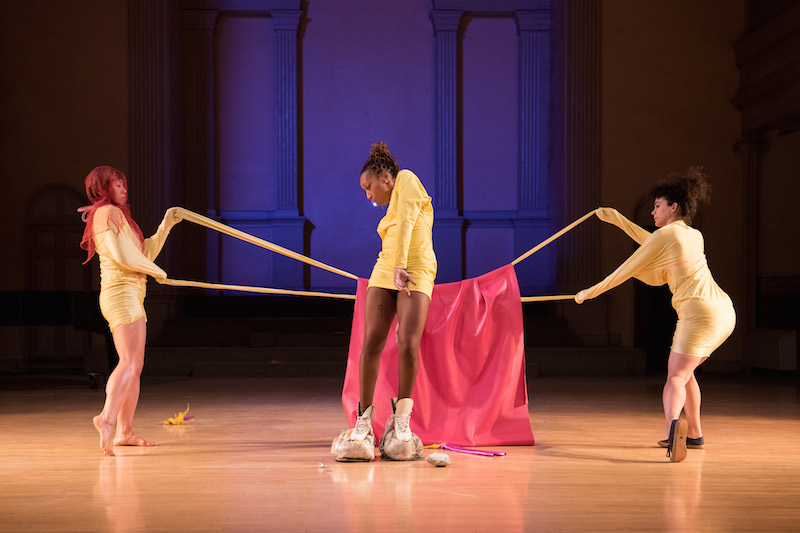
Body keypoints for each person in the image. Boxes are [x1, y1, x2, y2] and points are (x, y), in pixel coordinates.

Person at [575, 167, 735, 463]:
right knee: (685, 374)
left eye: (657, 206)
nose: (652, 212)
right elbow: (652, 243)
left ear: (673, 207)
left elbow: (629, 266)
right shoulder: (691, 234)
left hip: (699, 315)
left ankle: (674, 432)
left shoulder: (668, 235)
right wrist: (620, 220)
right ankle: (695, 434)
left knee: (675, 375)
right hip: (723, 313)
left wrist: (591, 291)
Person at [339, 142, 437, 461]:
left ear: (385, 177)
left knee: (408, 344)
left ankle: (401, 423)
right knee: (371, 343)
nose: (369, 196)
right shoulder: (387, 205)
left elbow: (408, 220)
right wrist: (393, 266)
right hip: (386, 269)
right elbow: (396, 231)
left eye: (369, 187)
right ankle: (363, 423)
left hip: (416, 268)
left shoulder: (406, 178)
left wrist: (401, 266)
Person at [80, 166, 181, 456]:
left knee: (135, 367)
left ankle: (124, 432)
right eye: (118, 184)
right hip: (120, 294)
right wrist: (157, 272)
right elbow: (123, 257)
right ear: (103, 188)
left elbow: (143, 253)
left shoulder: (121, 217)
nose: (124, 189)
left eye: (125, 184)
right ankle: (107, 418)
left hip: (133, 294)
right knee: (128, 362)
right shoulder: (105, 213)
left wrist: (166, 225)